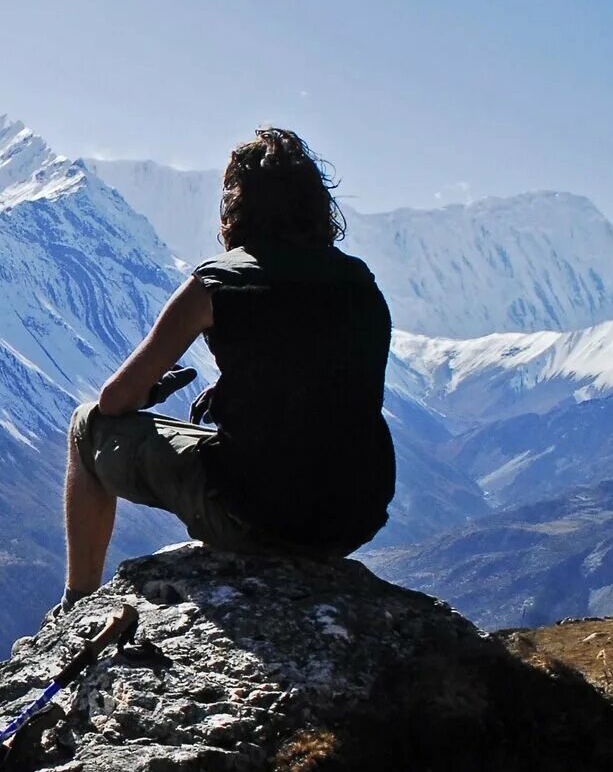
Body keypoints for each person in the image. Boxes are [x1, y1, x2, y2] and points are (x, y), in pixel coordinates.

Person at [59, 127, 395, 612]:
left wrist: (148, 396)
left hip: (255, 516)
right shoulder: (361, 284)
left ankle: (79, 599)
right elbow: (334, 382)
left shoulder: (218, 283)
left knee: (86, 425)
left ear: (237, 206)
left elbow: (115, 401)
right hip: (354, 515)